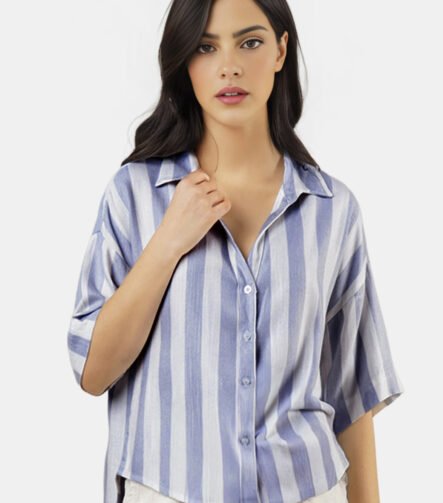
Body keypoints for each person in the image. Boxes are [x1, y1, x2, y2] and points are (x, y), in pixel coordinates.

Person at [67, 1, 405, 502]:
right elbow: (93, 372)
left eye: (249, 42)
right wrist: (168, 242)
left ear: (280, 51)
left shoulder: (333, 211)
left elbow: (353, 396)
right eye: (206, 48)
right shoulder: (134, 196)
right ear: (185, 61)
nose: (229, 66)